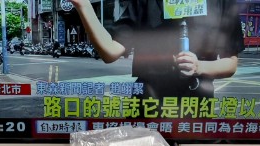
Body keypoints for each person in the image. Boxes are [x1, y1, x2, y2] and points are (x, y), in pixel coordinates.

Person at [70, 0, 243, 99]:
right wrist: (83, 6)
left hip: (195, 107)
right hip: (148, 106)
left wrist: (199, 66)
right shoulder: (146, 2)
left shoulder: (223, 3)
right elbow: (110, 52)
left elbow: (231, 63)